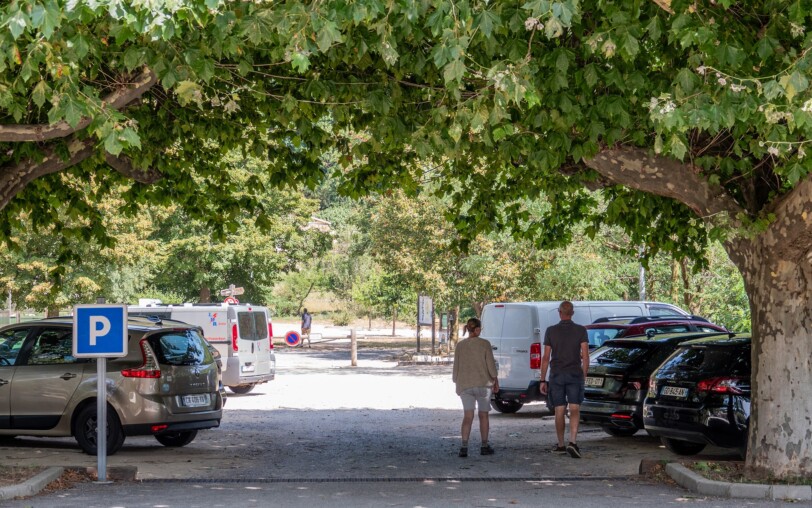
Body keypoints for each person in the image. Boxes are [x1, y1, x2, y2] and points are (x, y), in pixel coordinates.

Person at [539, 300, 589, 459]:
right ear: (572, 313)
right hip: (575, 374)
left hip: (557, 375)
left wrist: (542, 379)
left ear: (559, 313)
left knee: (559, 410)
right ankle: (572, 442)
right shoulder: (581, 330)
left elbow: (546, 357)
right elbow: (586, 356)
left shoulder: (550, 331)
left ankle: (561, 444)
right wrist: (584, 375)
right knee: (575, 408)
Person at [452, 317, 499, 458]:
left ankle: (464, 447)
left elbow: (456, 368)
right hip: (483, 385)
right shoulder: (485, 344)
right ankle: (484, 445)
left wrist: (456, 381)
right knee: (483, 415)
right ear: (477, 329)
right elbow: (491, 366)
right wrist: (495, 380)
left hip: (465, 385)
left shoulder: (460, 346)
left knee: (468, 416)